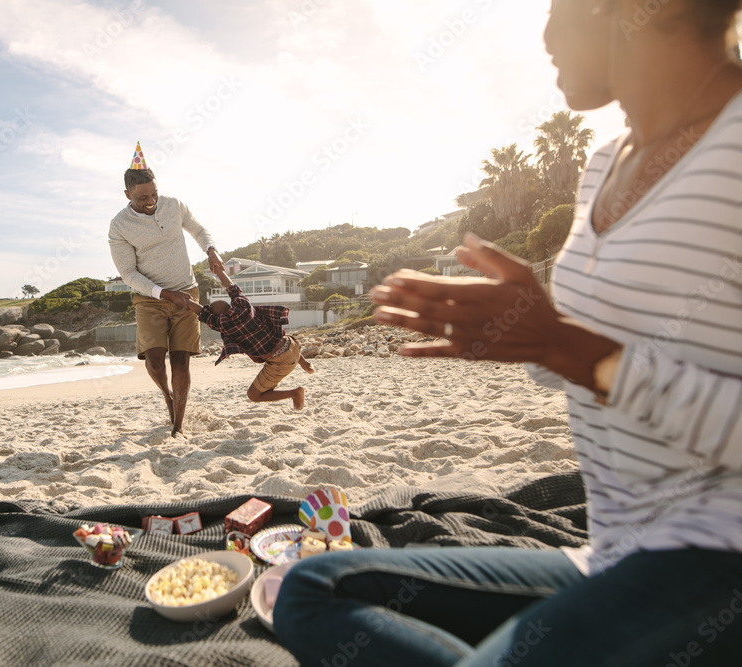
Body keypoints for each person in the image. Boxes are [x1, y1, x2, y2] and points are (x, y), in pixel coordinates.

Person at [274, 1, 742, 664]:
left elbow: (594, 359)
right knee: (310, 589)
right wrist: (523, 330)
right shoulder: (606, 164)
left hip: (720, 562)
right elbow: (598, 358)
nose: (546, 35)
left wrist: (567, 346)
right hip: (613, 551)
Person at [108, 142, 223, 436]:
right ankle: (167, 396)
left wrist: (210, 250)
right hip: (149, 299)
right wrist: (164, 293)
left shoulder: (173, 205)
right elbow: (128, 273)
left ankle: (178, 425)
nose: (151, 201)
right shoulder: (119, 226)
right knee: (156, 360)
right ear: (127, 195)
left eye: (154, 194)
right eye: (143, 197)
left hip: (187, 292)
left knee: (181, 361)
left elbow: (198, 229)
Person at [171, 263, 314, 409]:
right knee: (277, 338)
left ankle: (295, 393)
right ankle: (306, 364)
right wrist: (219, 270)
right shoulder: (242, 305)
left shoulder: (223, 324)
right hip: (292, 344)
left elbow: (201, 312)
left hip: (280, 360)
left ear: (216, 317)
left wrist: (182, 300)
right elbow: (232, 288)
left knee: (254, 395)